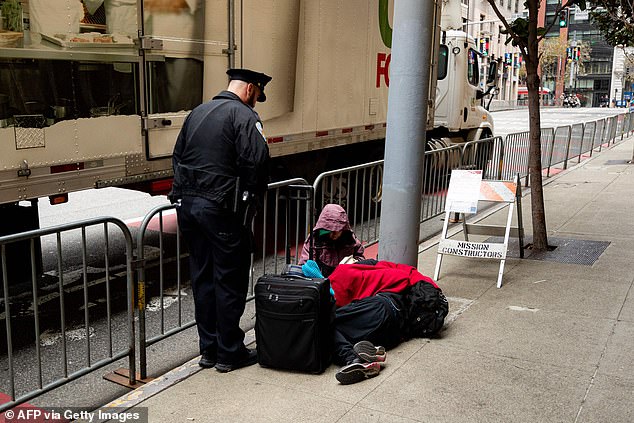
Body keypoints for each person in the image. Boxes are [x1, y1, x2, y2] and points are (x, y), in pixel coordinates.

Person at [169, 68, 272, 372]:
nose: (256, 101)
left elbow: (178, 157)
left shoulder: (198, 113)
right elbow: (257, 160)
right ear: (251, 89)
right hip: (223, 212)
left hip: (189, 209)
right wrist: (251, 199)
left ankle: (208, 350)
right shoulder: (244, 116)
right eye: (257, 95)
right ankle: (229, 352)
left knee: (203, 278)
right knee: (229, 280)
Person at [298, 204, 365, 277]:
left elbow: (360, 256)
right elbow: (305, 264)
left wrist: (354, 263)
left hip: (344, 278)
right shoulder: (315, 238)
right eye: (330, 231)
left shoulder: (349, 238)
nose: (334, 234)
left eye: (337, 231)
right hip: (321, 278)